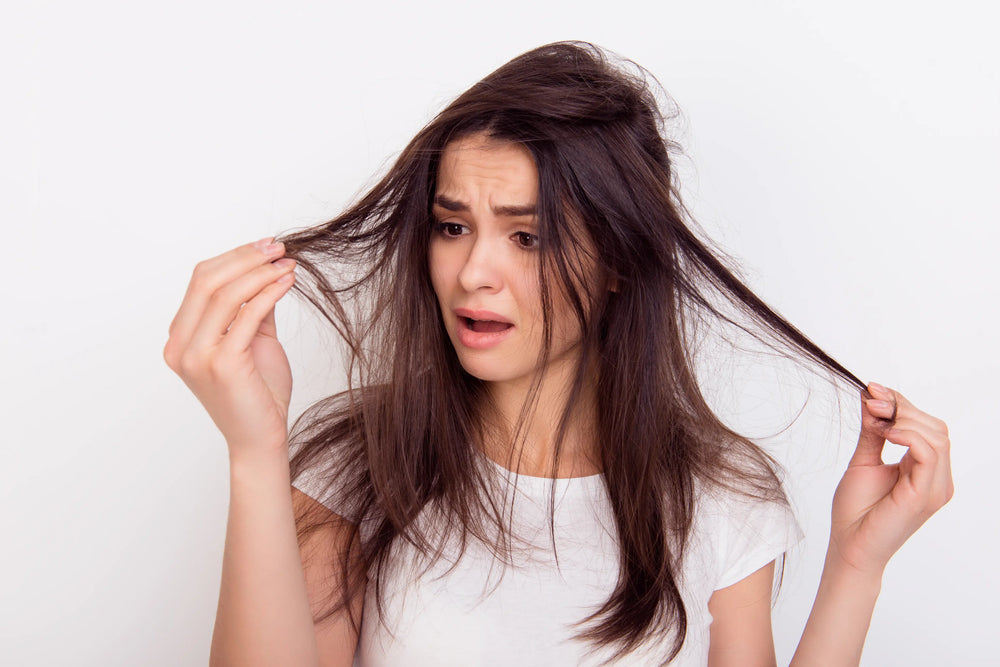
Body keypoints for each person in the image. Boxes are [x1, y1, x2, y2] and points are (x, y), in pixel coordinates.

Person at [163, 42, 953, 666]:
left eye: (527, 236)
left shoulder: (720, 497)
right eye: (452, 226)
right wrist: (254, 453)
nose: (473, 272)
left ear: (617, 261)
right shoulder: (361, 463)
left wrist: (857, 566)